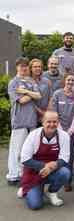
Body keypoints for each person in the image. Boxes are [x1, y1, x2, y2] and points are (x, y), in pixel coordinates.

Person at [20, 111, 71, 210]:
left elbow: (65, 159)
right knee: (35, 205)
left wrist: (53, 166)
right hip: (33, 173)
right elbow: (25, 159)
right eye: (49, 122)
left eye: (55, 122)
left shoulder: (64, 136)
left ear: (58, 122)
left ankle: (52, 192)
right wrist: (46, 166)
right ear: (42, 122)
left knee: (65, 172)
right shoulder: (33, 135)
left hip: (52, 170)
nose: (52, 124)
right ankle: (29, 189)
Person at [7, 57, 42, 185]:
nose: (24, 68)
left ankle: (23, 174)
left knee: (27, 150)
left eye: (26, 66)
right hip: (19, 121)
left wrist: (26, 91)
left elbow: (39, 96)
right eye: (21, 66)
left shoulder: (30, 81)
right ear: (17, 67)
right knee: (16, 150)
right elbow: (21, 101)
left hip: (31, 121)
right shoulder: (13, 83)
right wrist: (32, 94)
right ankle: (13, 175)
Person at [49, 73, 74, 191]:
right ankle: (56, 179)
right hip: (58, 130)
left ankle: (68, 181)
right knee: (57, 155)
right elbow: (54, 113)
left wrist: (71, 130)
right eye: (68, 80)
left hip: (71, 132)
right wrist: (61, 130)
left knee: (70, 157)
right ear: (64, 81)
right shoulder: (57, 94)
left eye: (72, 80)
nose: (70, 82)